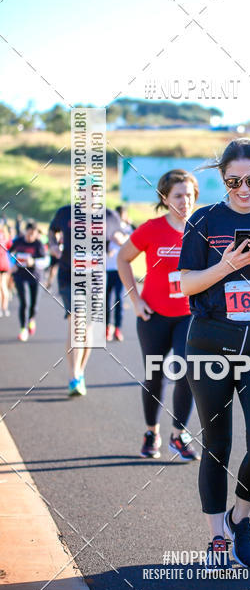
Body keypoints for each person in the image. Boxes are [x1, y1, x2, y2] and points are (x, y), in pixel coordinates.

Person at [179, 138, 250, 569]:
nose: (243, 189)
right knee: (217, 445)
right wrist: (226, 266)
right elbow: (186, 284)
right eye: (233, 181)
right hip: (208, 344)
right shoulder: (204, 219)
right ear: (223, 179)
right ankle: (216, 538)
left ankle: (239, 517)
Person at [118, 170, 201, 462]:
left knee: (188, 373)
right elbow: (122, 258)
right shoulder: (151, 229)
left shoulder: (203, 228)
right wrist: (135, 301)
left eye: (189, 195)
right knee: (154, 377)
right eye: (178, 195)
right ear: (165, 199)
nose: (185, 201)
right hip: (153, 315)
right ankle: (151, 432)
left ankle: (178, 434)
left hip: (188, 315)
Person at [49, 193, 123, 396]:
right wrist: (53, 245)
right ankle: (74, 376)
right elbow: (52, 230)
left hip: (96, 279)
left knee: (88, 328)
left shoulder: (109, 216)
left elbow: (120, 237)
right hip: (69, 276)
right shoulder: (65, 213)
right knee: (77, 320)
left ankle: (80, 373)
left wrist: (120, 242)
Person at [10, 221, 48, 341]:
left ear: (36, 234)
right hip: (20, 276)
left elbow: (46, 261)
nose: (30, 236)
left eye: (33, 234)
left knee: (34, 305)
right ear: (25, 231)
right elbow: (8, 253)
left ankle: (31, 319)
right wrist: (12, 264)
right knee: (24, 303)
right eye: (29, 233)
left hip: (35, 277)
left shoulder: (39, 244)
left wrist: (34, 262)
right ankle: (23, 329)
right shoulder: (18, 241)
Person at [106, 205, 133, 341]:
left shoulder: (127, 229)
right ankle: (107, 327)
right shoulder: (106, 227)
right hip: (106, 269)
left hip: (120, 269)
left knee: (118, 299)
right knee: (105, 300)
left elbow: (132, 243)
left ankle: (117, 328)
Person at [0, 222, 12, 316]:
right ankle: (5, 308)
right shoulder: (6, 236)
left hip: (1, 263)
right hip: (5, 263)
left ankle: (2, 308)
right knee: (3, 286)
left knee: (1, 286)